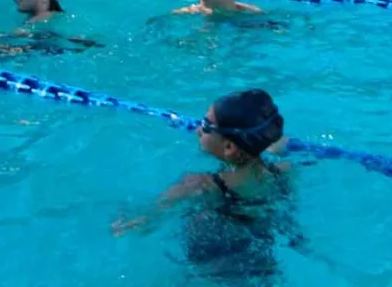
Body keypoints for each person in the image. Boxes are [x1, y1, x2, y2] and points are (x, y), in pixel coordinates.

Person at [113, 89, 291, 276]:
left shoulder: (198, 186)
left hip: (210, 273)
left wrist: (122, 220)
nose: (198, 130)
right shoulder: (283, 172)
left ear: (229, 147)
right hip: (261, 267)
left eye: (206, 126)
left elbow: (143, 223)